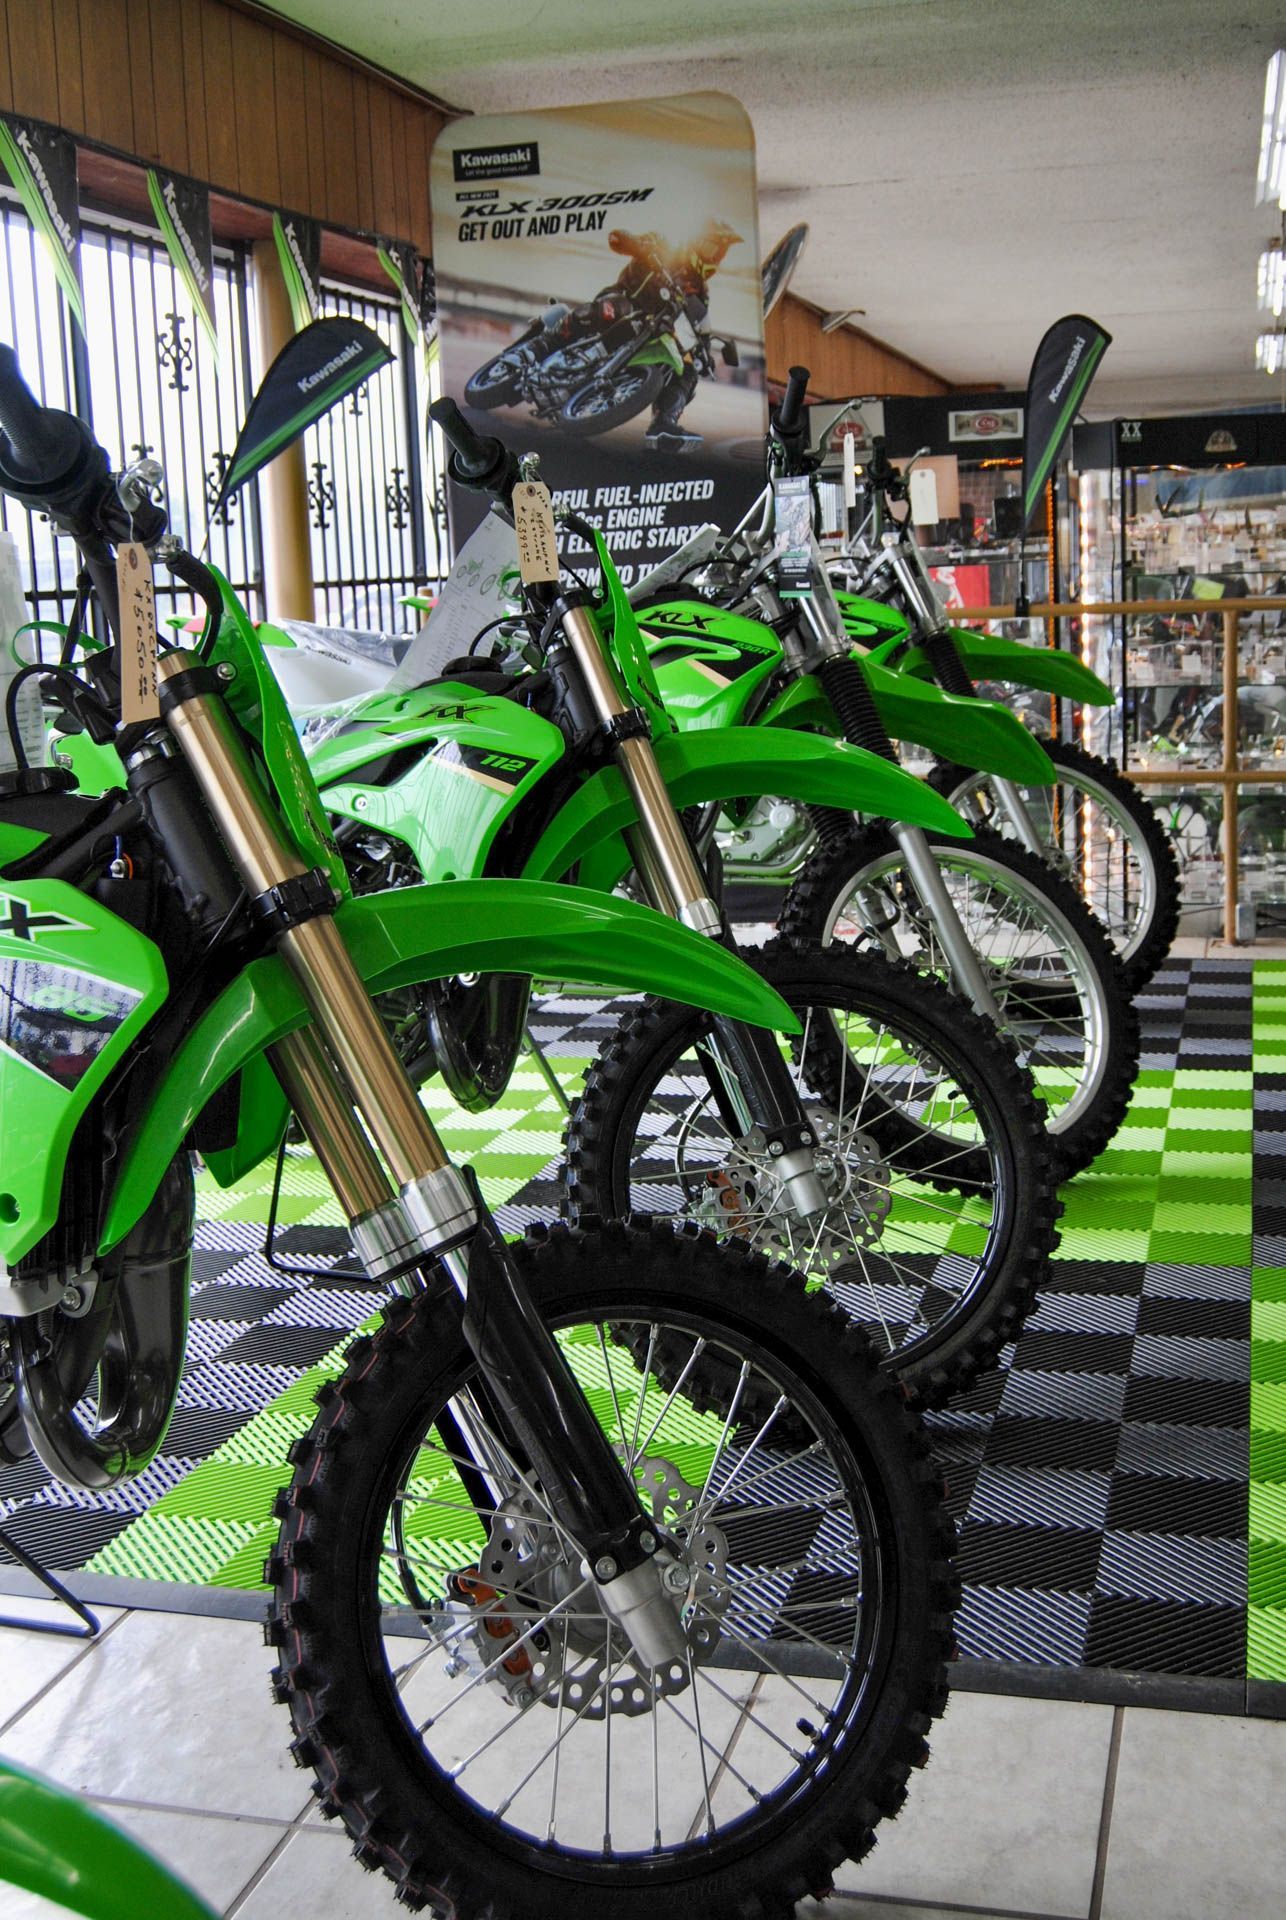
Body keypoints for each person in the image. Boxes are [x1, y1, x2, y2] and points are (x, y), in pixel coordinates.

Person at [603, 220, 743, 449]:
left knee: (686, 371)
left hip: (649, 338)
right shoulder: (662, 247)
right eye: (712, 249)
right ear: (696, 242)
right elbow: (622, 239)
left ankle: (662, 425)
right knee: (607, 309)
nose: (715, 258)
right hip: (623, 308)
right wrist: (636, 244)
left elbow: (700, 332)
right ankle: (536, 350)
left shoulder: (701, 295)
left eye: (720, 254)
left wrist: (704, 356)